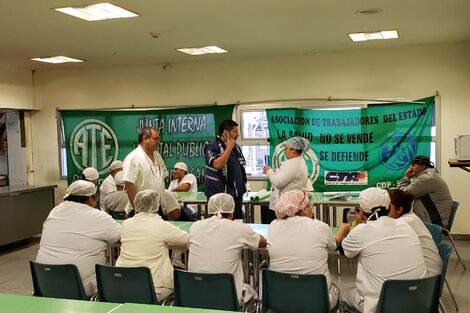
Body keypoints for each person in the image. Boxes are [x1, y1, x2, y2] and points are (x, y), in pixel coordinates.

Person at [335, 187, 427, 313]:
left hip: (382, 306)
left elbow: (344, 252)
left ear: (361, 211)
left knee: (343, 292)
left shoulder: (362, 230)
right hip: (418, 301)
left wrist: (343, 230)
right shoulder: (405, 226)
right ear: (389, 206)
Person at [36, 180, 121, 297]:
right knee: (117, 282)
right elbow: (119, 235)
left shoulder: (55, 211)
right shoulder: (98, 217)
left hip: (45, 282)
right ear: (91, 199)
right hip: (80, 285)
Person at [188, 193, 267, 304]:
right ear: (232, 213)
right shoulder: (239, 228)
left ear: (209, 211)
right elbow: (262, 243)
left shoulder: (195, 226)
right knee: (252, 292)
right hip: (227, 298)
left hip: (194, 295)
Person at [268, 189, 339, 309]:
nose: (311, 207)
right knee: (337, 290)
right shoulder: (320, 227)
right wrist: (343, 230)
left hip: (280, 299)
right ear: (303, 209)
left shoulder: (273, 226)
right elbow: (334, 245)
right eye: (309, 204)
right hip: (318, 301)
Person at [116, 189, 189, 302]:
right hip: (154, 286)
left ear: (136, 205)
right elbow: (186, 239)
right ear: (156, 205)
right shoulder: (161, 225)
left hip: (123, 283)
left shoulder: (126, 224)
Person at [122, 127, 181, 219]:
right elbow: (129, 185)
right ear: (145, 139)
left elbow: (160, 180)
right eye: (155, 138)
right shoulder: (133, 158)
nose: (159, 142)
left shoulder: (157, 155)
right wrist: (136, 209)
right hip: (140, 209)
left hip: (158, 207)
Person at [388, 189, 442, 276]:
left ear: (399, 209)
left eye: (387, 208)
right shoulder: (409, 217)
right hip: (425, 268)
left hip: (427, 276)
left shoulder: (403, 223)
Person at [204, 119, 247, 220]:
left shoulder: (236, 148)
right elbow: (217, 164)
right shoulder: (212, 147)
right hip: (219, 197)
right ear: (226, 133)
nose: (238, 134)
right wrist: (228, 148)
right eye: (235, 131)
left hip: (236, 196)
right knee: (220, 227)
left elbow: (240, 167)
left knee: (237, 224)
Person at [262, 136, 310, 222]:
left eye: (286, 149)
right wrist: (276, 171)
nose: (284, 152)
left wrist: (269, 171)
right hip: (291, 204)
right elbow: (287, 174)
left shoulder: (293, 164)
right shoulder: (298, 161)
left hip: (288, 206)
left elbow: (278, 182)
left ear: (293, 150)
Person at [397, 155, 452, 227]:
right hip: (433, 217)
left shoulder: (426, 178)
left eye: (413, 165)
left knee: (400, 223)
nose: (410, 168)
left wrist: (406, 177)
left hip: (434, 222)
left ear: (423, 166)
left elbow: (404, 195)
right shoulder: (426, 175)